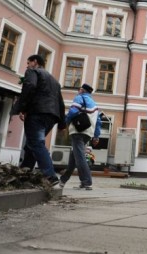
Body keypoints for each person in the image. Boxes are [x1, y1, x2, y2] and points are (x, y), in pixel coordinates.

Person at [12, 54, 65, 185]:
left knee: (36, 143)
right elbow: (61, 102)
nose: (27, 65)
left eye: (28, 62)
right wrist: (62, 123)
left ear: (35, 62)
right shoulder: (54, 80)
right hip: (52, 116)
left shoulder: (33, 71)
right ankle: (25, 172)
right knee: (32, 145)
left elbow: (29, 86)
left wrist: (22, 108)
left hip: (37, 112)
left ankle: (50, 176)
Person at [58, 84, 100, 190]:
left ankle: (87, 182)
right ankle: (63, 180)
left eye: (79, 89)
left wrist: (65, 123)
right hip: (88, 133)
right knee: (74, 157)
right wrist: (96, 136)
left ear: (81, 90)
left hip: (78, 131)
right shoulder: (94, 104)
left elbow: (73, 111)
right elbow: (98, 122)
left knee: (80, 157)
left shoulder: (79, 97)